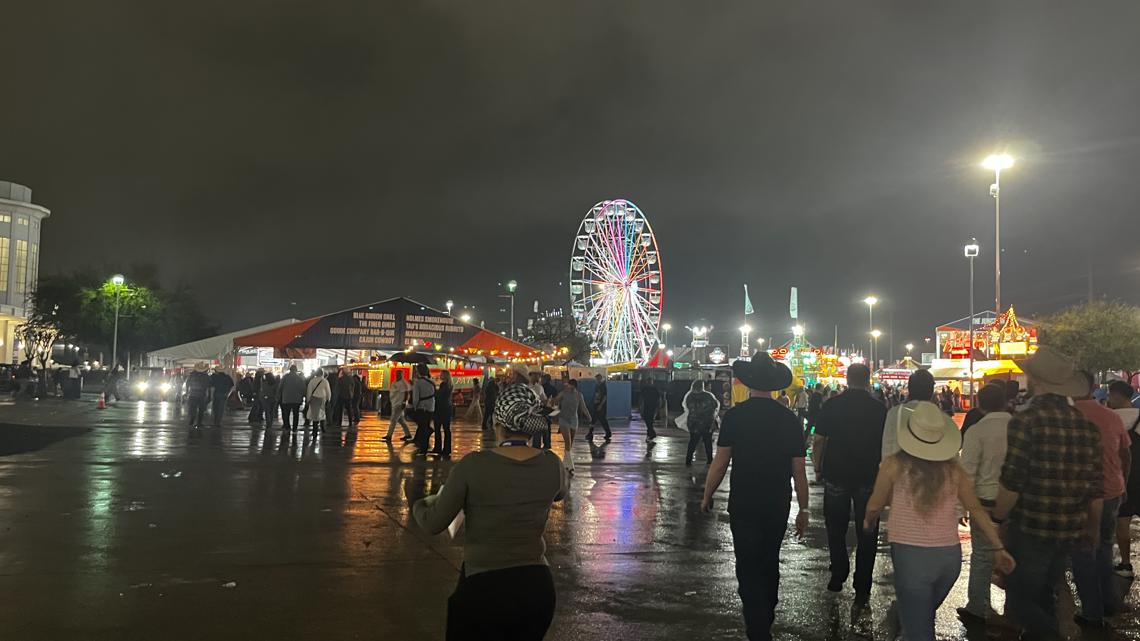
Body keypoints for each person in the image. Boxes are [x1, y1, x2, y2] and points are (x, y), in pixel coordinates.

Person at [412, 375, 567, 641]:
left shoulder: (474, 466)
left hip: (485, 587)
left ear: (497, 423)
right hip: (537, 587)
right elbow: (560, 494)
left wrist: (416, 501)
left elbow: (433, 522)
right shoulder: (553, 464)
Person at [865, 401, 1015, 641]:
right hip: (948, 560)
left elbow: (874, 504)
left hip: (911, 557)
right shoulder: (954, 471)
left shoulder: (894, 465)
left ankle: (906, 623)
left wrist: (868, 520)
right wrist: (997, 546)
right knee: (920, 619)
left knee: (919, 630)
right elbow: (975, 509)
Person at [993, 346, 1102, 641]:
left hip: (1032, 527)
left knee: (1019, 598)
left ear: (1035, 381)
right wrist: (1092, 528)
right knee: (1047, 593)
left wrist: (997, 519)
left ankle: (1050, 636)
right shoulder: (1087, 426)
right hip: (1070, 527)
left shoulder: (1026, 421)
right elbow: (1096, 488)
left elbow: (1012, 480)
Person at [701, 354, 809, 641]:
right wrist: (805, 509)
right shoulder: (789, 420)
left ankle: (755, 621)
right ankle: (766, 614)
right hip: (777, 501)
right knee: (769, 558)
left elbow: (721, 462)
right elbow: (799, 470)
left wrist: (707, 494)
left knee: (747, 560)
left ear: (748, 382)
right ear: (775, 387)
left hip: (744, 500)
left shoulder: (735, 416)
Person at [812, 363, 887, 615]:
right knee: (868, 529)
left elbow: (819, 439)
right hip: (868, 475)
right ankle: (862, 584)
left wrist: (818, 466)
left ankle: (839, 569)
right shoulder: (879, 409)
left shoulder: (832, 405)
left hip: (836, 473)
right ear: (868, 381)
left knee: (835, 525)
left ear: (847, 378)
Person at [1071, 370, 1130, 628]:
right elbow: (1125, 454)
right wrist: (1123, 482)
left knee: (1083, 551)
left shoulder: (1069, 418)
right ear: (1094, 386)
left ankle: (1092, 612)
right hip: (1113, 491)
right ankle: (1108, 602)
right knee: (1105, 549)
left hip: (1081, 496)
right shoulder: (1111, 416)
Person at [956, 382, 1012, 623]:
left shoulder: (976, 431)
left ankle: (978, 606)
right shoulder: (1019, 427)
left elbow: (966, 473)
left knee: (982, 554)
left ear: (979, 403)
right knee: (1014, 551)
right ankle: (1016, 607)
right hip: (1015, 501)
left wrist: (961, 507)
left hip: (984, 501)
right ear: (1006, 401)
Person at [1109, 381, 1140, 577]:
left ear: (1118, 396)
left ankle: (1126, 564)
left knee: (1122, 521)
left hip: (1122, 476)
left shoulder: (1111, 419)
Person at [881, 369, 936, 460]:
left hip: (899, 470)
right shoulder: (939, 417)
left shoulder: (895, 414)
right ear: (931, 391)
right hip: (931, 472)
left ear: (910, 389)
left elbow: (887, 449)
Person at [551, 378, 591, 475]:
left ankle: (566, 463)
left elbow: (583, 407)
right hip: (563, 419)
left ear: (573, 386)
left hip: (574, 420)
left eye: (568, 385)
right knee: (568, 442)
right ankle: (571, 466)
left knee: (570, 444)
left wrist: (588, 416)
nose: (567, 386)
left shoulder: (579, 395)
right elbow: (555, 400)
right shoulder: (563, 393)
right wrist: (554, 403)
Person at [684, 379, 719, 466]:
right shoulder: (708, 396)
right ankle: (709, 459)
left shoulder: (690, 396)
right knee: (707, 441)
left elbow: (687, 406)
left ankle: (688, 460)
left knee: (693, 441)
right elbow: (715, 405)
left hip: (693, 423)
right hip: (706, 423)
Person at [410, 364, 437, 456]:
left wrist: (415, 407)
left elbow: (416, 397)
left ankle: (423, 448)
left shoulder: (418, 383)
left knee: (423, 427)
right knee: (425, 426)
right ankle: (423, 446)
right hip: (431, 407)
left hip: (422, 407)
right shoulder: (432, 381)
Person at [385, 370, 413, 442]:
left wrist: (404, 402)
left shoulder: (403, 383)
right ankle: (408, 434)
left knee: (393, 420)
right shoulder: (395, 382)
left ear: (402, 375)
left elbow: (406, 393)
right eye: (396, 374)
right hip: (394, 403)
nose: (397, 375)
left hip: (399, 404)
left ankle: (389, 435)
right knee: (401, 421)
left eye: (399, 374)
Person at [432, 370, 454, 458]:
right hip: (447, 408)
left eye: (441, 374)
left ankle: (438, 447)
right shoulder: (450, 385)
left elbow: (439, 396)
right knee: (446, 429)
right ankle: (447, 449)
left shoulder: (443, 385)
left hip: (440, 409)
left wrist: (435, 391)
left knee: (437, 428)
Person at [278, 365, 307, 431]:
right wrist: (303, 397)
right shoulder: (300, 378)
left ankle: (287, 426)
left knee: (286, 414)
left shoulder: (285, 377)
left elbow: (280, 387)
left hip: (286, 399)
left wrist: (280, 396)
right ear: (296, 370)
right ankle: (294, 428)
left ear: (290, 370)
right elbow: (303, 389)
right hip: (297, 400)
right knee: (296, 414)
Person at [184, 363, 211, 428]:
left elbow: (187, 384)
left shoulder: (191, 375)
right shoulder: (206, 376)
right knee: (201, 410)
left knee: (193, 409)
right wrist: (209, 396)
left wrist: (187, 392)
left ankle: (192, 420)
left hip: (192, 394)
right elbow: (209, 387)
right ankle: (199, 423)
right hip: (202, 395)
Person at [528, 371, 550, 449]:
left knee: (537, 438)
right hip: (525, 415)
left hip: (536, 416)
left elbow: (544, 399)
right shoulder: (525, 386)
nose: (538, 377)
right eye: (537, 375)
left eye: (539, 375)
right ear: (531, 375)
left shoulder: (539, 387)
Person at [586, 374, 612, 442]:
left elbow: (604, 397)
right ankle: (590, 433)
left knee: (601, 420)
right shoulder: (598, 386)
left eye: (597, 379)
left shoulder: (603, 386)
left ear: (599, 379)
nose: (596, 381)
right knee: (596, 420)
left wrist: (600, 405)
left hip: (600, 406)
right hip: (597, 405)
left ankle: (607, 433)